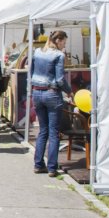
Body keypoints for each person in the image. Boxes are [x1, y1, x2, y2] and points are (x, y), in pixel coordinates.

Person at [31, 30, 73, 177]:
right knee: (54, 132)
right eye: (64, 42)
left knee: (43, 131)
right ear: (58, 40)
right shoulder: (58, 55)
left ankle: (38, 164)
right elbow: (60, 79)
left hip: (37, 92)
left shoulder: (37, 52)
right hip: (52, 93)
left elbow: (31, 72)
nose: (64, 45)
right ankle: (52, 167)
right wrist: (69, 91)